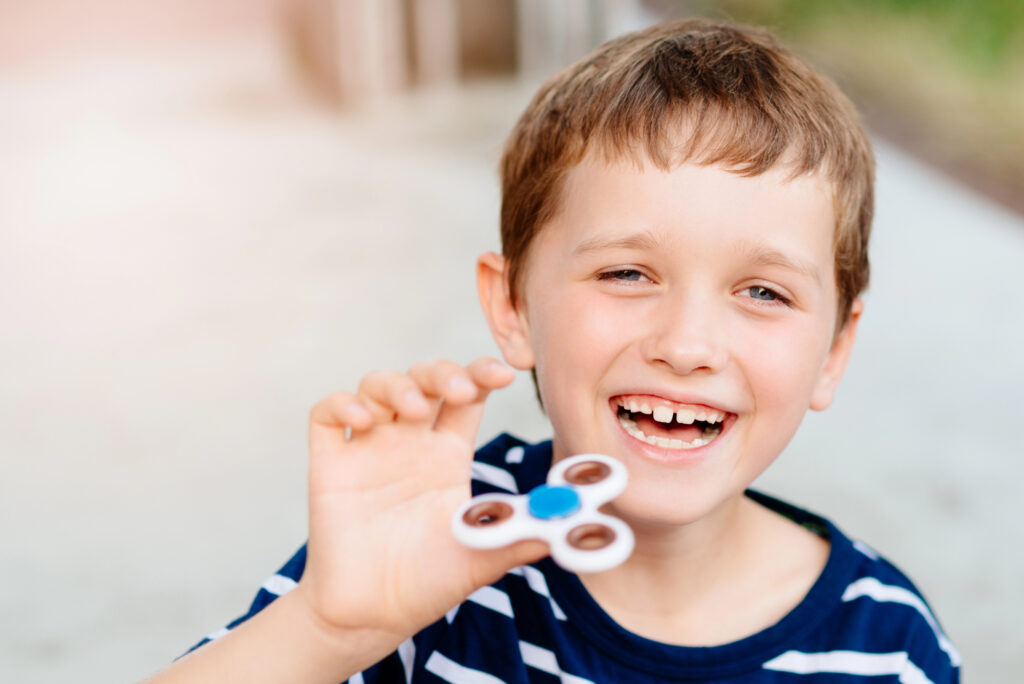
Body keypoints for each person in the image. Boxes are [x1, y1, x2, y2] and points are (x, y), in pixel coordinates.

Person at [144, 18, 960, 683]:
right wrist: (329, 627)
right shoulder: (435, 543)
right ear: (512, 306)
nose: (687, 345)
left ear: (833, 351)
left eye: (763, 292)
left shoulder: (888, 643)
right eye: (628, 272)